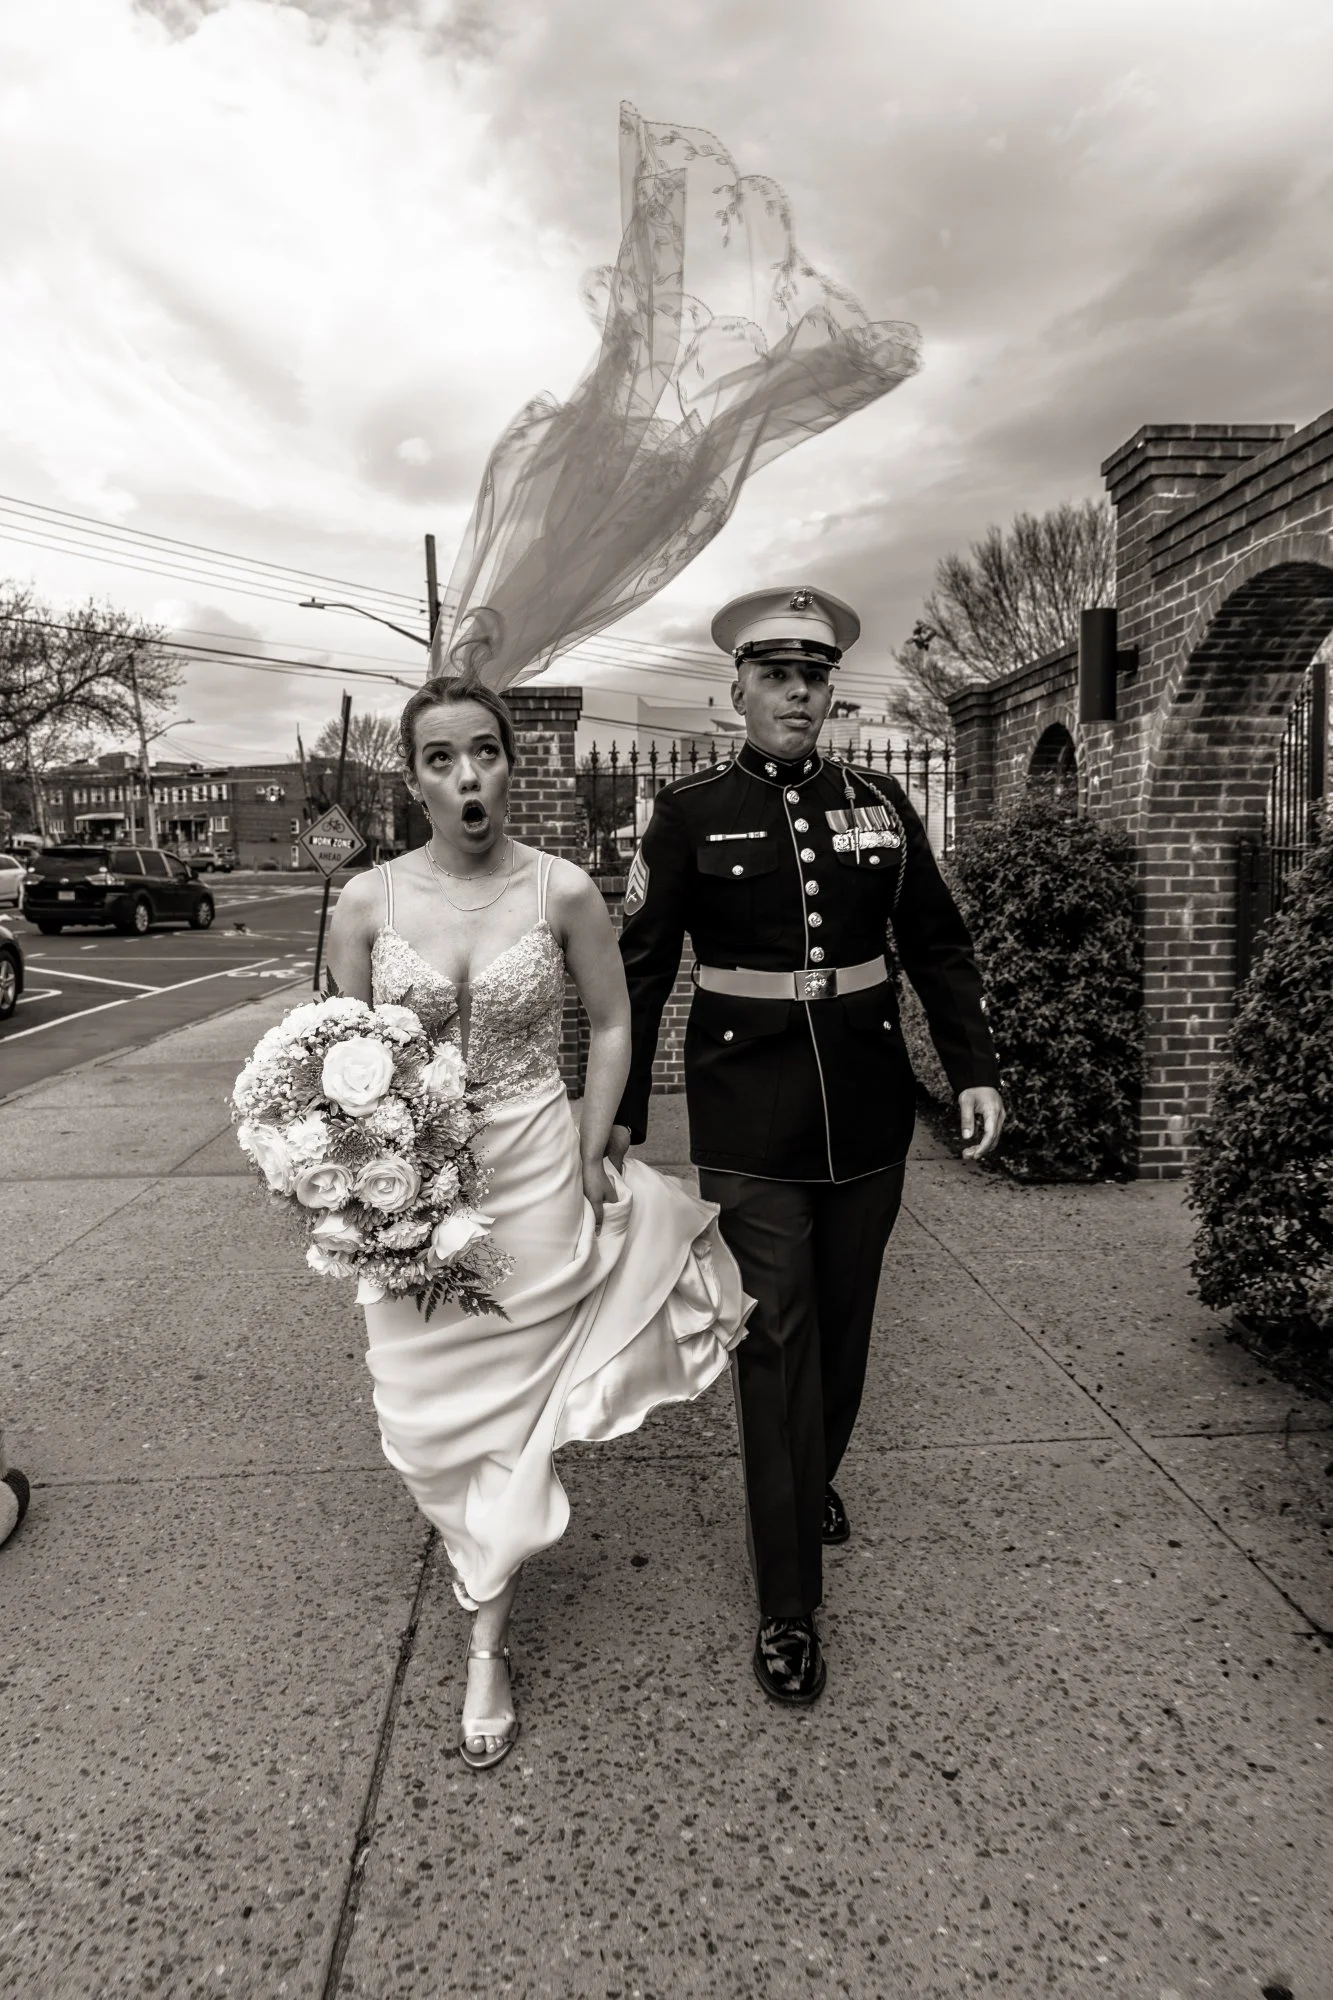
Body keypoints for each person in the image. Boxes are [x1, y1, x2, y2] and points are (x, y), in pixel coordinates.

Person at [326, 674, 750, 1769]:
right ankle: (477, 1554)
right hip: (412, 1188)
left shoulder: (562, 889)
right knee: (422, 1413)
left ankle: (486, 1637)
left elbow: (612, 1023)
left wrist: (595, 1133)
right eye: (440, 758)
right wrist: (349, 1169)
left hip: (532, 1167)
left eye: (485, 752)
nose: (468, 775)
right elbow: (334, 1056)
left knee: (516, 1413)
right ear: (413, 777)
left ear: (511, 762)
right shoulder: (365, 904)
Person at [609, 586, 1005, 1707]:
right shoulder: (688, 811)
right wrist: (622, 1116)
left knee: (842, 1324)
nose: (796, 691)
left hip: (868, 1104)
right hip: (748, 1111)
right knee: (775, 1340)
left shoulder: (880, 801)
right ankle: (788, 1601)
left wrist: (972, 1066)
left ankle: (810, 1472)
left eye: (813, 674)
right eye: (774, 673)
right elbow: (642, 967)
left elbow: (935, 939)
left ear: (831, 688)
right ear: (732, 687)